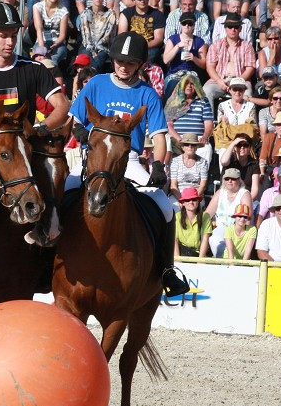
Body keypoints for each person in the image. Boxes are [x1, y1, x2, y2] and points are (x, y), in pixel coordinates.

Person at [66, 31, 190, 296]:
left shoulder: (147, 94)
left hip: (128, 159)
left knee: (164, 205)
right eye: (119, 61)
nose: (123, 66)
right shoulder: (97, 83)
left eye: (130, 62)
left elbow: (158, 137)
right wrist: (78, 132)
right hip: (94, 156)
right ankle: (49, 250)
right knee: (65, 190)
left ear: (140, 65)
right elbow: (76, 119)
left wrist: (158, 165)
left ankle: (166, 269)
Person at [203, 12, 255, 108]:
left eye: (236, 27)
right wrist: (219, 81)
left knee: (248, 93)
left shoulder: (247, 46)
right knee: (206, 91)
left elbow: (250, 68)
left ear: (240, 28)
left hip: (241, 80)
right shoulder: (216, 45)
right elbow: (210, 66)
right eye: (230, 27)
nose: (233, 29)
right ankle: (209, 121)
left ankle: (245, 122)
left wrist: (239, 81)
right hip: (219, 80)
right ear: (225, 28)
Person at [205, 167, 252, 257]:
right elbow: (207, 214)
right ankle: (223, 261)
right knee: (214, 239)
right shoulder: (220, 192)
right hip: (221, 228)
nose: (229, 181)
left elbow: (248, 218)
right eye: (227, 179)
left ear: (239, 181)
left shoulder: (244, 194)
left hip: (238, 228)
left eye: (233, 179)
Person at [165, 73, 213, 159]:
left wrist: (205, 136)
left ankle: (201, 172)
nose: (189, 86)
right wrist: (179, 139)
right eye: (186, 83)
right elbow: (169, 125)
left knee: (206, 148)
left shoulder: (203, 101)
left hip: (197, 138)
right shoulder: (174, 101)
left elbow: (208, 123)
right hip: (178, 138)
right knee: (167, 144)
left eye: (192, 83)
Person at [79, 0, 117, 71]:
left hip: (104, 47)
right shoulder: (85, 13)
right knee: (86, 55)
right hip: (87, 46)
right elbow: (85, 35)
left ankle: (91, 75)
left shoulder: (111, 14)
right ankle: (92, 74)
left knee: (100, 57)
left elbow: (108, 35)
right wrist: (92, 50)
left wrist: (97, 48)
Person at [33, 0, 69, 67]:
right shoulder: (37, 7)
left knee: (53, 60)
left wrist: (55, 44)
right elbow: (39, 28)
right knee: (40, 58)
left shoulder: (63, 10)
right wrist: (42, 46)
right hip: (42, 39)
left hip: (57, 42)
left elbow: (62, 35)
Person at [174, 187, 211, 257]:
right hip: (181, 254)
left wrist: (200, 261)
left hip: (198, 254)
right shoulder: (177, 216)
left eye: (194, 199)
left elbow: (205, 239)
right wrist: (178, 259)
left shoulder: (205, 216)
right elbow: (174, 240)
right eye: (187, 200)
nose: (191, 202)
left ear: (198, 201)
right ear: (183, 203)